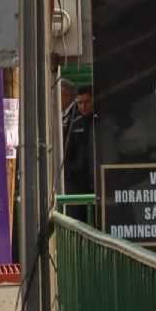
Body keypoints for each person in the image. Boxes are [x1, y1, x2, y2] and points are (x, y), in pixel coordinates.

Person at [64, 86, 95, 222]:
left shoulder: (102, 121)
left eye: (86, 102)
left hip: (98, 181)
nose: (83, 106)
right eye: (80, 103)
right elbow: (68, 152)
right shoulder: (74, 124)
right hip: (78, 182)